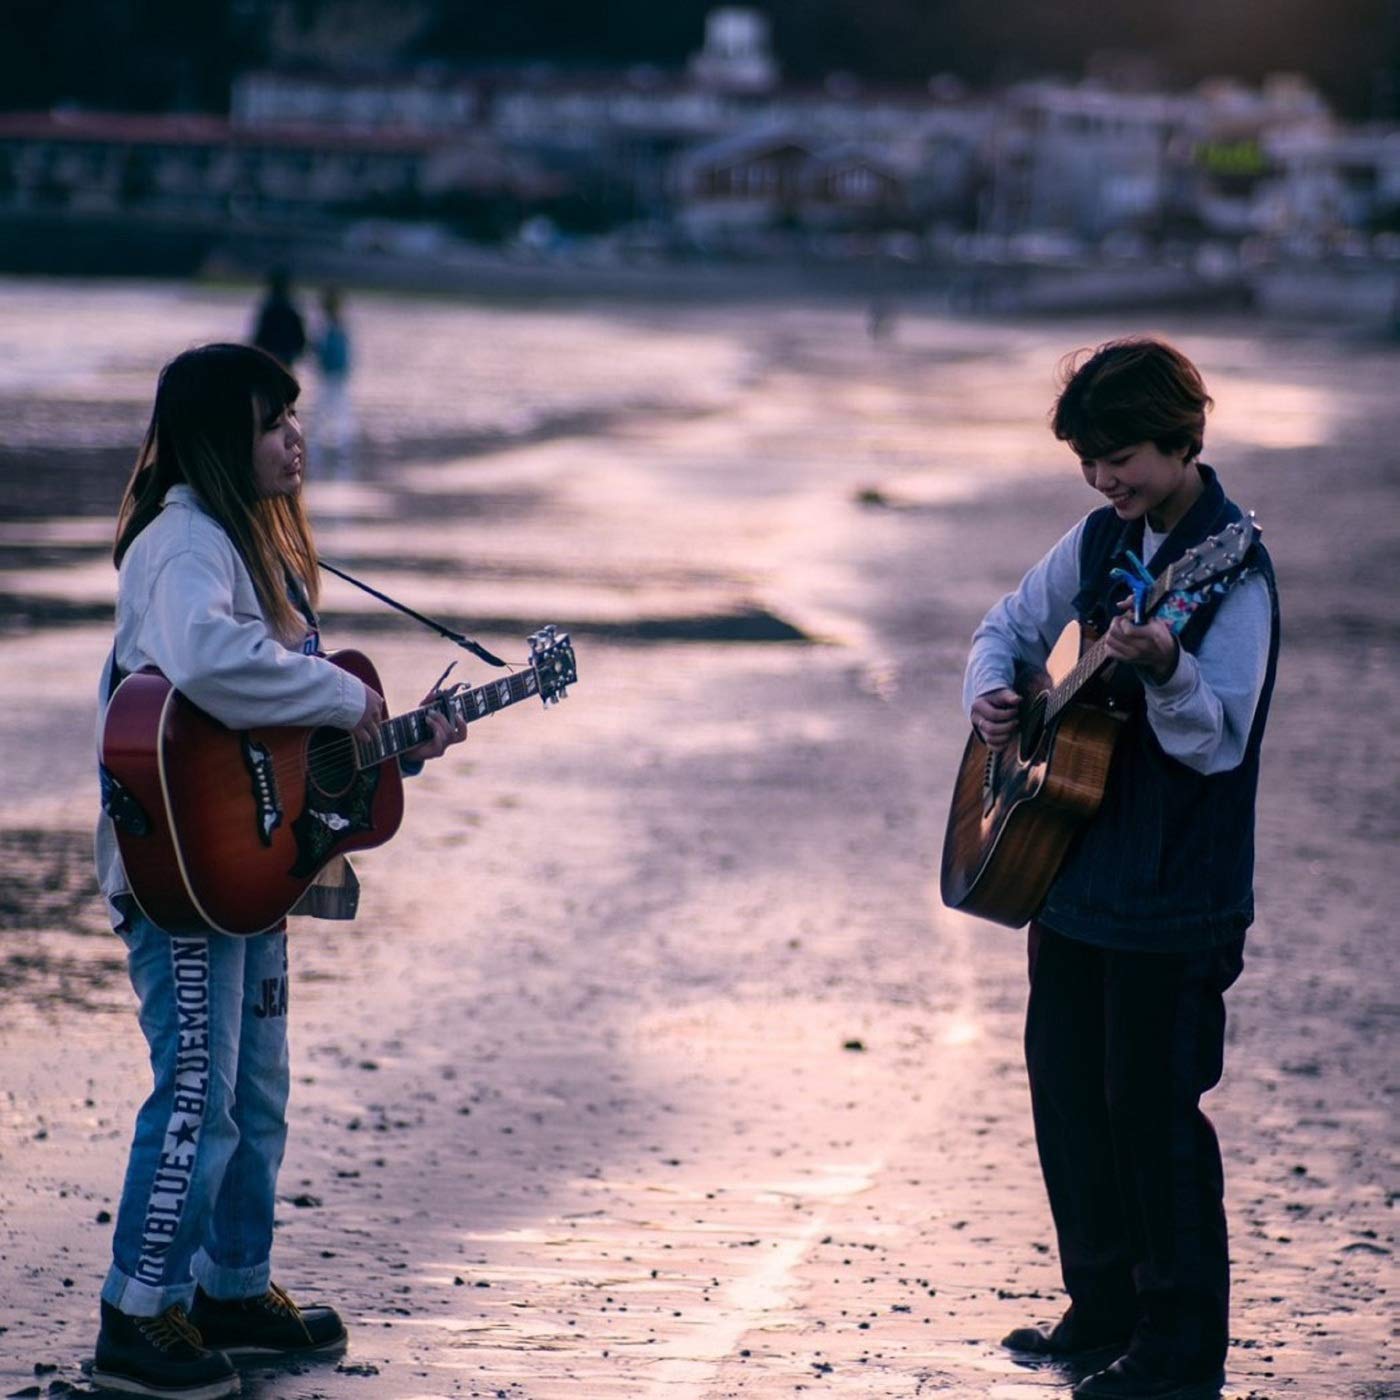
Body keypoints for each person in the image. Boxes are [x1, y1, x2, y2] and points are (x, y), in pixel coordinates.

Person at [91, 343, 467, 1398]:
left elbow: (278, 730)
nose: (294, 436)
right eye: (272, 422)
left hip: (244, 865)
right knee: (197, 1091)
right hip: (178, 868)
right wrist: (348, 700)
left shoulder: (254, 549)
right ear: (219, 440)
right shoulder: (180, 543)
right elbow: (211, 668)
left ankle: (231, 1283)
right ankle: (137, 1306)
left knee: (256, 1088)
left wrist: (390, 737)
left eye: (294, 417)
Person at [961, 338, 1279, 1400]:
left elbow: (1213, 743)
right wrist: (994, 696)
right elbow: (1008, 625)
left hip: (1176, 890)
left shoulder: (1229, 570)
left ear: (1182, 435)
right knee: (1065, 1094)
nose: (1106, 480)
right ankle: (1098, 1307)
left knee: (1151, 1110)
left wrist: (1167, 670)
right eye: (1090, 462)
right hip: (1071, 865)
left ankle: (1180, 1347)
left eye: (1123, 457)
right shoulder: (1101, 536)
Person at [312, 286, 355, 471]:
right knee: (337, 410)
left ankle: (329, 447)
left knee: (327, 410)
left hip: (332, 374)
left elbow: (322, 350)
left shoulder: (329, 326)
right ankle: (340, 447)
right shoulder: (338, 325)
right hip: (336, 374)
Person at [250, 268, 307, 369]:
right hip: (287, 354)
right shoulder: (291, 308)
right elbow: (299, 336)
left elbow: (261, 334)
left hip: (270, 354)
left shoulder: (269, 309)